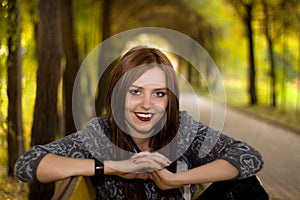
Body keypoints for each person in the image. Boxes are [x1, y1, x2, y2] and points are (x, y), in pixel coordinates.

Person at [15, 46, 265, 199]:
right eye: (135, 91)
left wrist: (174, 180)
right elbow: (28, 165)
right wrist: (113, 167)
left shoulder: (183, 131)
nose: (147, 104)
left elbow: (249, 157)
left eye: (159, 93)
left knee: (246, 186)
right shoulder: (100, 134)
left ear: (170, 99)